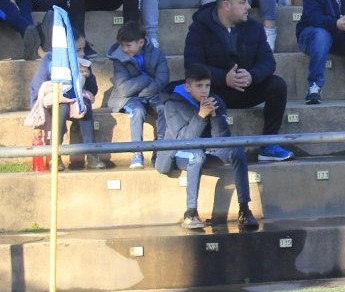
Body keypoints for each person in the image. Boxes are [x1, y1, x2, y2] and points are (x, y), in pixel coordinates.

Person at [184, 0, 293, 162]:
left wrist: (252, 75)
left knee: (277, 85)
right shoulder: (199, 28)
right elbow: (192, 65)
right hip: (217, 90)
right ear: (226, 6)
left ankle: (268, 145)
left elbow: (268, 62)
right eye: (242, 3)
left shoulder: (254, 27)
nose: (248, 7)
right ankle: (213, 146)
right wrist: (223, 78)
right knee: (203, 93)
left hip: (247, 88)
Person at [155, 63, 258, 230]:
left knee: (237, 150)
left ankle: (244, 209)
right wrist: (201, 115)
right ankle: (191, 212)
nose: (204, 90)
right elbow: (183, 140)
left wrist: (216, 117)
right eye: (199, 86)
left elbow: (222, 139)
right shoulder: (172, 104)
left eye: (207, 85)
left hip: (206, 149)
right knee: (197, 156)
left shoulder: (216, 101)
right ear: (188, 87)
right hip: (179, 152)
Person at [29, 28, 105, 170]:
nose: (82, 54)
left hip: (77, 99)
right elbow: (36, 86)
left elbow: (93, 90)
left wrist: (88, 76)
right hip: (55, 99)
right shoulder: (50, 60)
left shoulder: (84, 61)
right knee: (62, 108)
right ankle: (55, 155)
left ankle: (92, 154)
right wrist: (37, 115)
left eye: (84, 49)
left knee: (85, 106)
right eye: (78, 50)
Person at [106, 22, 167, 170]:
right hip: (127, 98)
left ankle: (159, 151)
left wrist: (142, 91)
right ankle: (137, 153)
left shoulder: (157, 54)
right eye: (123, 46)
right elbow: (125, 89)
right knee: (137, 111)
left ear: (141, 42)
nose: (125, 49)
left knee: (163, 109)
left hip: (151, 94)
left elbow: (162, 80)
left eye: (128, 45)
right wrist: (146, 79)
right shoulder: (119, 57)